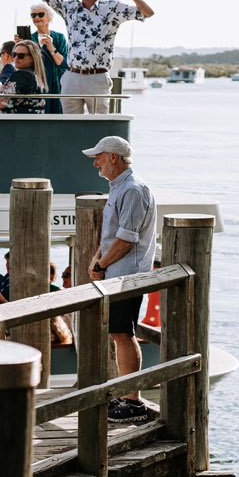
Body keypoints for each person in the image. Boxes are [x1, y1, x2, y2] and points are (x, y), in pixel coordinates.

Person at [3, 0, 154, 114]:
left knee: (100, 128)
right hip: (72, 77)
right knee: (69, 127)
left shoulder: (112, 8)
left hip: (98, 78)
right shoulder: (70, 9)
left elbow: (147, 12)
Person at [85, 135, 158, 421]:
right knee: (119, 333)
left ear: (114, 157)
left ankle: (132, 401)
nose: (95, 162)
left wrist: (101, 263)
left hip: (127, 276)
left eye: (99, 157)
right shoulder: (121, 188)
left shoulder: (132, 190)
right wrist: (97, 259)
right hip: (117, 274)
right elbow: (114, 234)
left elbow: (127, 239)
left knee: (123, 334)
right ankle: (127, 394)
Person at [28, 5, 69, 114]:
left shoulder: (59, 38)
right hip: (36, 83)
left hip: (56, 83)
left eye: (41, 14)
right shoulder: (29, 39)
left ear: (49, 18)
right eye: (33, 15)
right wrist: (19, 45)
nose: (37, 17)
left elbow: (63, 63)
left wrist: (51, 48)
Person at [0, 40, 47, 114]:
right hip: (30, 120)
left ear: (32, 58)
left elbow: (3, 103)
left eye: (21, 56)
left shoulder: (21, 75)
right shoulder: (37, 76)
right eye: (14, 54)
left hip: (15, 120)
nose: (16, 58)